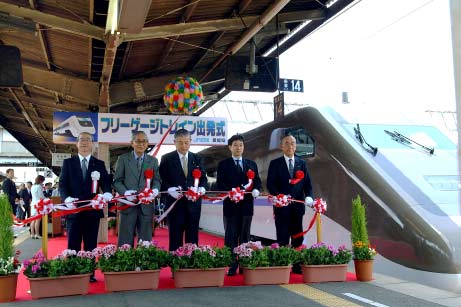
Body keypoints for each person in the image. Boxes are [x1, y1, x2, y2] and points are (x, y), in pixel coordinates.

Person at [59, 132, 112, 282]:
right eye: (81, 140)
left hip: (92, 212)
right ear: (76, 144)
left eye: (88, 140)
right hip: (74, 211)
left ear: (93, 144)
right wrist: (67, 198)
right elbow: (62, 184)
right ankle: (73, 272)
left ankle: (90, 273)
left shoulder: (99, 164)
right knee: (73, 242)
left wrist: (107, 194)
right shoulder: (68, 163)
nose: (84, 143)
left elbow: (106, 184)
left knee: (90, 243)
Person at [266, 134, 313, 273]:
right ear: (281, 146)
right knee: (282, 236)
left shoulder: (301, 163)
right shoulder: (275, 163)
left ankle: (297, 264)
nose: (290, 146)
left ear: (296, 146)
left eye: (292, 143)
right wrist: (280, 195)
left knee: (298, 236)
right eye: (287, 143)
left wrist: (309, 196)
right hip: (281, 208)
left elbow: (308, 184)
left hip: (297, 209)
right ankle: (283, 263)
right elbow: (270, 183)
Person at [216, 134, 262, 276]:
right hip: (230, 207)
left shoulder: (251, 164)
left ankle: (244, 264)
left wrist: (256, 189)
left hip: (247, 208)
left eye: (241, 145)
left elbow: (258, 181)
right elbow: (220, 184)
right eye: (235, 145)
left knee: (245, 237)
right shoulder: (223, 165)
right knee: (231, 237)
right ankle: (231, 266)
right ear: (230, 147)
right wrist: (232, 192)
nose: (238, 148)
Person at [159, 129, 208, 251]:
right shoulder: (166, 158)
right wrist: (169, 189)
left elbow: (203, 178)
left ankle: (191, 265)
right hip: (175, 205)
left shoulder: (197, 158)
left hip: (193, 205)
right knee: (175, 237)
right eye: (180, 142)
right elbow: (161, 180)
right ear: (174, 142)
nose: (184, 146)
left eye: (186, 142)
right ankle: (176, 266)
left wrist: (202, 188)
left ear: (190, 141)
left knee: (192, 237)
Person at [113, 131, 161, 247]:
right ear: (132, 143)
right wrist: (125, 192)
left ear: (147, 143)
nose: (141, 144)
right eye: (138, 141)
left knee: (145, 239)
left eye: (144, 141)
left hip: (146, 205)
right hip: (128, 204)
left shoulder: (153, 161)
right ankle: (125, 263)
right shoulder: (123, 159)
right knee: (125, 237)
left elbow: (157, 180)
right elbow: (117, 181)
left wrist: (154, 190)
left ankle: (144, 264)